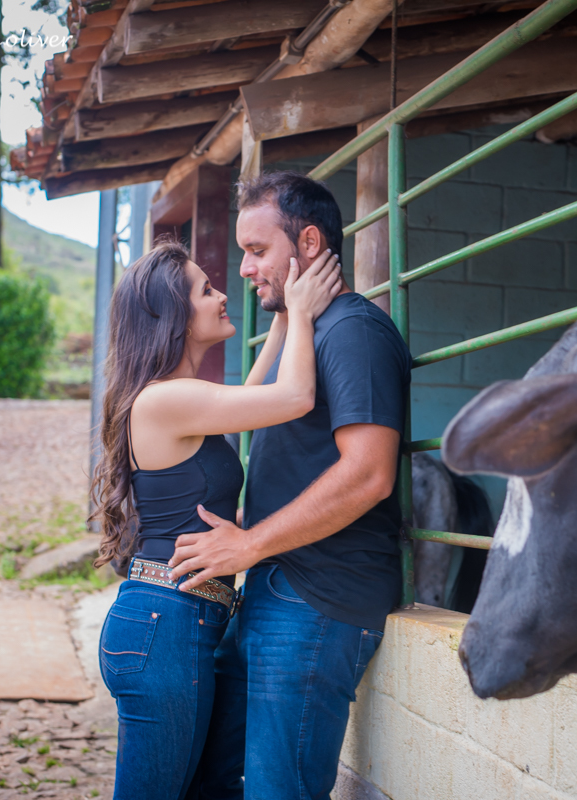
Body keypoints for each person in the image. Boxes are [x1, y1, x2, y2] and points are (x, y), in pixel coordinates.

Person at [169, 171, 411, 800]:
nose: (244, 270)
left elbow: (369, 473)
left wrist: (248, 545)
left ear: (308, 243)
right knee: (204, 778)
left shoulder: (354, 331)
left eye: (257, 251)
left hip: (318, 600)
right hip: (273, 590)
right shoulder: (302, 331)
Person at [89, 237, 342, 800]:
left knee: (210, 789)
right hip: (165, 627)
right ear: (173, 313)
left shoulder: (180, 399)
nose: (223, 294)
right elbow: (295, 396)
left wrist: (280, 317)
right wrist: (300, 311)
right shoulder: (162, 400)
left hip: (181, 623)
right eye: (207, 289)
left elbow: (251, 404)